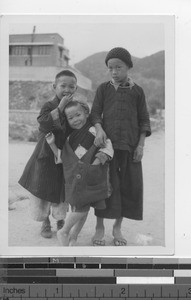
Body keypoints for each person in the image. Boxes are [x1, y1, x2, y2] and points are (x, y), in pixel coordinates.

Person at [90, 47, 151, 246]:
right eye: (110, 68)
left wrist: (140, 145)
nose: (114, 71)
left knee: (127, 187)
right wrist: (99, 130)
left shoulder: (138, 91)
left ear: (128, 67)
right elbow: (95, 113)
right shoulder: (103, 89)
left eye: (119, 67)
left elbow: (144, 120)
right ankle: (99, 227)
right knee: (104, 187)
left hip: (130, 148)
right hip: (107, 148)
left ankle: (117, 228)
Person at [18, 70, 77, 238]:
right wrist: (59, 108)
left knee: (61, 190)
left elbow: (77, 125)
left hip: (63, 154)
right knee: (43, 188)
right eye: (63, 85)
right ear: (54, 87)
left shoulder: (74, 107)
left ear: (76, 88)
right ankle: (45, 222)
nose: (67, 89)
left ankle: (60, 220)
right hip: (45, 153)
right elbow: (43, 125)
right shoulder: (48, 106)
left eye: (71, 86)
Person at [46, 100, 114, 246]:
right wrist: (52, 143)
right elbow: (62, 158)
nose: (75, 120)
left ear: (86, 113)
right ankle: (64, 231)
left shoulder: (95, 131)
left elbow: (107, 146)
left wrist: (96, 162)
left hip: (91, 174)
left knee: (85, 208)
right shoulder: (70, 138)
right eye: (70, 118)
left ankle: (73, 236)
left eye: (78, 115)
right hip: (75, 178)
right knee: (81, 208)